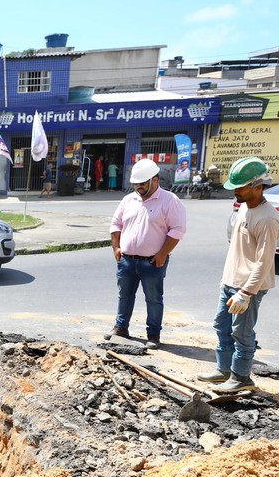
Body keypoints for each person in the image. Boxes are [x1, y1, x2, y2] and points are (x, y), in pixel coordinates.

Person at [197, 157, 279, 393]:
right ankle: (223, 369)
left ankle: (241, 376)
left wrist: (246, 293)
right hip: (231, 281)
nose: (235, 192)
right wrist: (226, 279)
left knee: (242, 333)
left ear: (257, 186)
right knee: (221, 325)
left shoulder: (267, 218)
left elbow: (264, 262)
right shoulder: (244, 207)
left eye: (239, 187)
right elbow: (237, 247)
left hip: (247, 288)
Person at [104, 158, 187, 350]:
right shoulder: (128, 199)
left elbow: (176, 231)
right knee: (124, 295)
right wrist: (116, 248)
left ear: (155, 180)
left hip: (152, 261)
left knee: (153, 298)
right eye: (136, 184)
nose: (138, 187)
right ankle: (121, 327)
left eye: (142, 183)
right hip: (127, 260)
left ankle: (153, 335)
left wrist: (162, 254)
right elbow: (116, 224)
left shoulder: (170, 201)